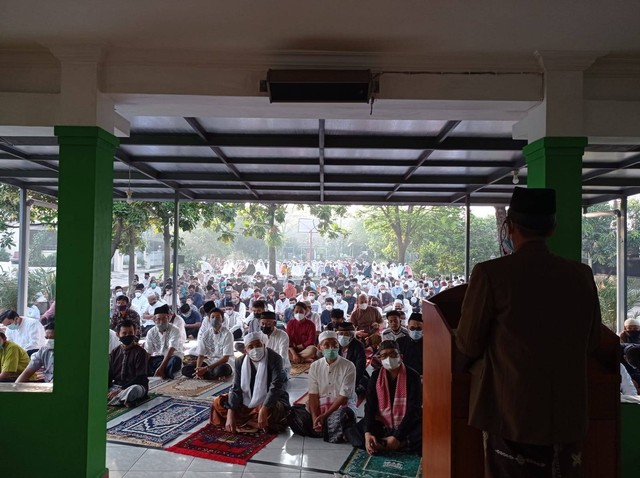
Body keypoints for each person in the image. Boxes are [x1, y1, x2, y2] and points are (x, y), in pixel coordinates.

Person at [455, 187, 602, 478]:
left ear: (508, 227)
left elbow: (469, 344)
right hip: (567, 416)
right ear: (553, 228)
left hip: (511, 416)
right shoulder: (581, 275)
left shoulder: (490, 274)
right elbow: (593, 341)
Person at [344, 340, 422, 455]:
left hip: (406, 423)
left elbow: (413, 409)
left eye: (393, 354)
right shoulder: (376, 376)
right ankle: (391, 444)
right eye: (384, 355)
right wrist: (368, 433)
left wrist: (397, 437)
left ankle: (385, 443)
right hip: (382, 421)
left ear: (400, 356)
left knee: (425, 433)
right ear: (380, 359)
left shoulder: (413, 376)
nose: (389, 358)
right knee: (357, 433)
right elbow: (370, 405)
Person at [211, 331, 290, 433]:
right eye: (251, 347)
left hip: (270, 400)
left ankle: (245, 422)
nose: (255, 349)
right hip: (246, 400)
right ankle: (252, 422)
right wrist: (231, 411)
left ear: (264, 345)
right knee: (218, 402)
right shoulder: (240, 361)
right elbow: (236, 387)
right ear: (245, 350)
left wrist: (264, 409)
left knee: (274, 412)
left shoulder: (275, 358)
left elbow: (276, 386)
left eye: (258, 345)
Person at [288, 331, 357, 443]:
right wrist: (315, 417)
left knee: (344, 416)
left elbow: (343, 397)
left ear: (338, 345)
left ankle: (321, 429)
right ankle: (327, 429)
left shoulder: (348, 366)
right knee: (292, 413)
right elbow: (313, 394)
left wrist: (324, 416)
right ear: (319, 347)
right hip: (321, 405)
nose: (331, 348)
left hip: (340, 407)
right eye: (326, 345)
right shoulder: (315, 366)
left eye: (334, 344)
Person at [181, 307, 233, 380]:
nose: (215, 319)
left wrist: (206, 368)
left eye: (218, 317)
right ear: (209, 319)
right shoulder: (206, 334)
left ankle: (209, 374)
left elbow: (225, 358)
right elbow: (201, 355)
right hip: (209, 362)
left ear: (223, 319)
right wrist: (197, 369)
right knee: (185, 369)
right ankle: (208, 374)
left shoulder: (227, 334)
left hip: (222, 363)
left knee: (221, 369)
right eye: (213, 317)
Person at [108, 319, 149, 406]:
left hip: (135, 385)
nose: (127, 335)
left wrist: (121, 389)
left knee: (133, 390)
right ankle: (122, 400)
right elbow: (110, 375)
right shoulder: (114, 352)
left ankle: (117, 399)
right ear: (118, 334)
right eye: (124, 333)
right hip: (116, 386)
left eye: (130, 333)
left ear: (135, 333)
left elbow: (140, 377)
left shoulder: (141, 352)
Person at [144, 304, 184, 379]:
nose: (161, 321)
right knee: (147, 361)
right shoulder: (151, 332)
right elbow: (148, 352)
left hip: (171, 358)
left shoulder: (175, 330)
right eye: (158, 319)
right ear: (154, 320)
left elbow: (171, 349)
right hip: (158, 359)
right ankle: (165, 372)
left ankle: (159, 372)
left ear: (168, 318)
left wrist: (161, 367)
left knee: (175, 361)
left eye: (164, 318)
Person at [336, 322, 369, 396]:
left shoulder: (358, 346)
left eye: (346, 334)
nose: (343, 336)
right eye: (341, 334)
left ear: (351, 335)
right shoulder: (336, 345)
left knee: (364, 384)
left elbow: (360, 368)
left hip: (352, 375)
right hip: (338, 374)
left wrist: (351, 383)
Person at [258, 311, 291, 378]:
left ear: (274, 323)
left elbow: (282, 357)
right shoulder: (259, 335)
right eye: (263, 324)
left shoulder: (282, 335)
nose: (264, 326)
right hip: (263, 367)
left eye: (268, 324)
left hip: (281, 367)